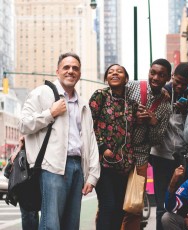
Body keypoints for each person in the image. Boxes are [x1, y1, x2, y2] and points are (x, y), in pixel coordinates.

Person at [18, 52, 101, 230]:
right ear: (57, 71)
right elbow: (23, 124)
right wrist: (51, 113)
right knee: (51, 225)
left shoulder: (83, 104)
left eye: (75, 68)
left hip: (77, 168)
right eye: (66, 67)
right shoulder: (41, 93)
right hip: (51, 168)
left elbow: (90, 140)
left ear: (79, 74)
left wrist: (93, 175)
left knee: (71, 226)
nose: (71, 71)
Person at [121, 58, 172, 229]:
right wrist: (132, 118)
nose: (156, 77)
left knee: (134, 206)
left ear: (167, 78)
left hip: (141, 158)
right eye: (153, 72)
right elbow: (113, 110)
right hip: (119, 154)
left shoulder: (166, 105)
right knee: (111, 202)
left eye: (161, 75)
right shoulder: (132, 87)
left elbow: (157, 140)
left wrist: (153, 122)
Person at [89, 64, 138, 230]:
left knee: (119, 208)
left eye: (119, 71)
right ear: (106, 78)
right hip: (104, 163)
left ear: (126, 78)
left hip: (124, 164)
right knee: (107, 205)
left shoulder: (131, 103)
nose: (115, 73)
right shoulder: (100, 96)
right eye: (110, 72)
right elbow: (88, 125)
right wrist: (102, 147)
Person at [149, 63, 188, 230]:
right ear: (172, 76)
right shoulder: (162, 91)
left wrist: (186, 110)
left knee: (181, 203)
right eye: (178, 81)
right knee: (162, 205)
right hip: (161, 155)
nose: (180, 86)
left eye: (185, 83)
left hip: (181, 158)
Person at [4, 137, 39, 230]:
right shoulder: (19, 150)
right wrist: (20, 146)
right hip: (22, 189)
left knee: (32, 215)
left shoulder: (36, 148)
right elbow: (8, 170)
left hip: (32, 188)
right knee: (26, 216)